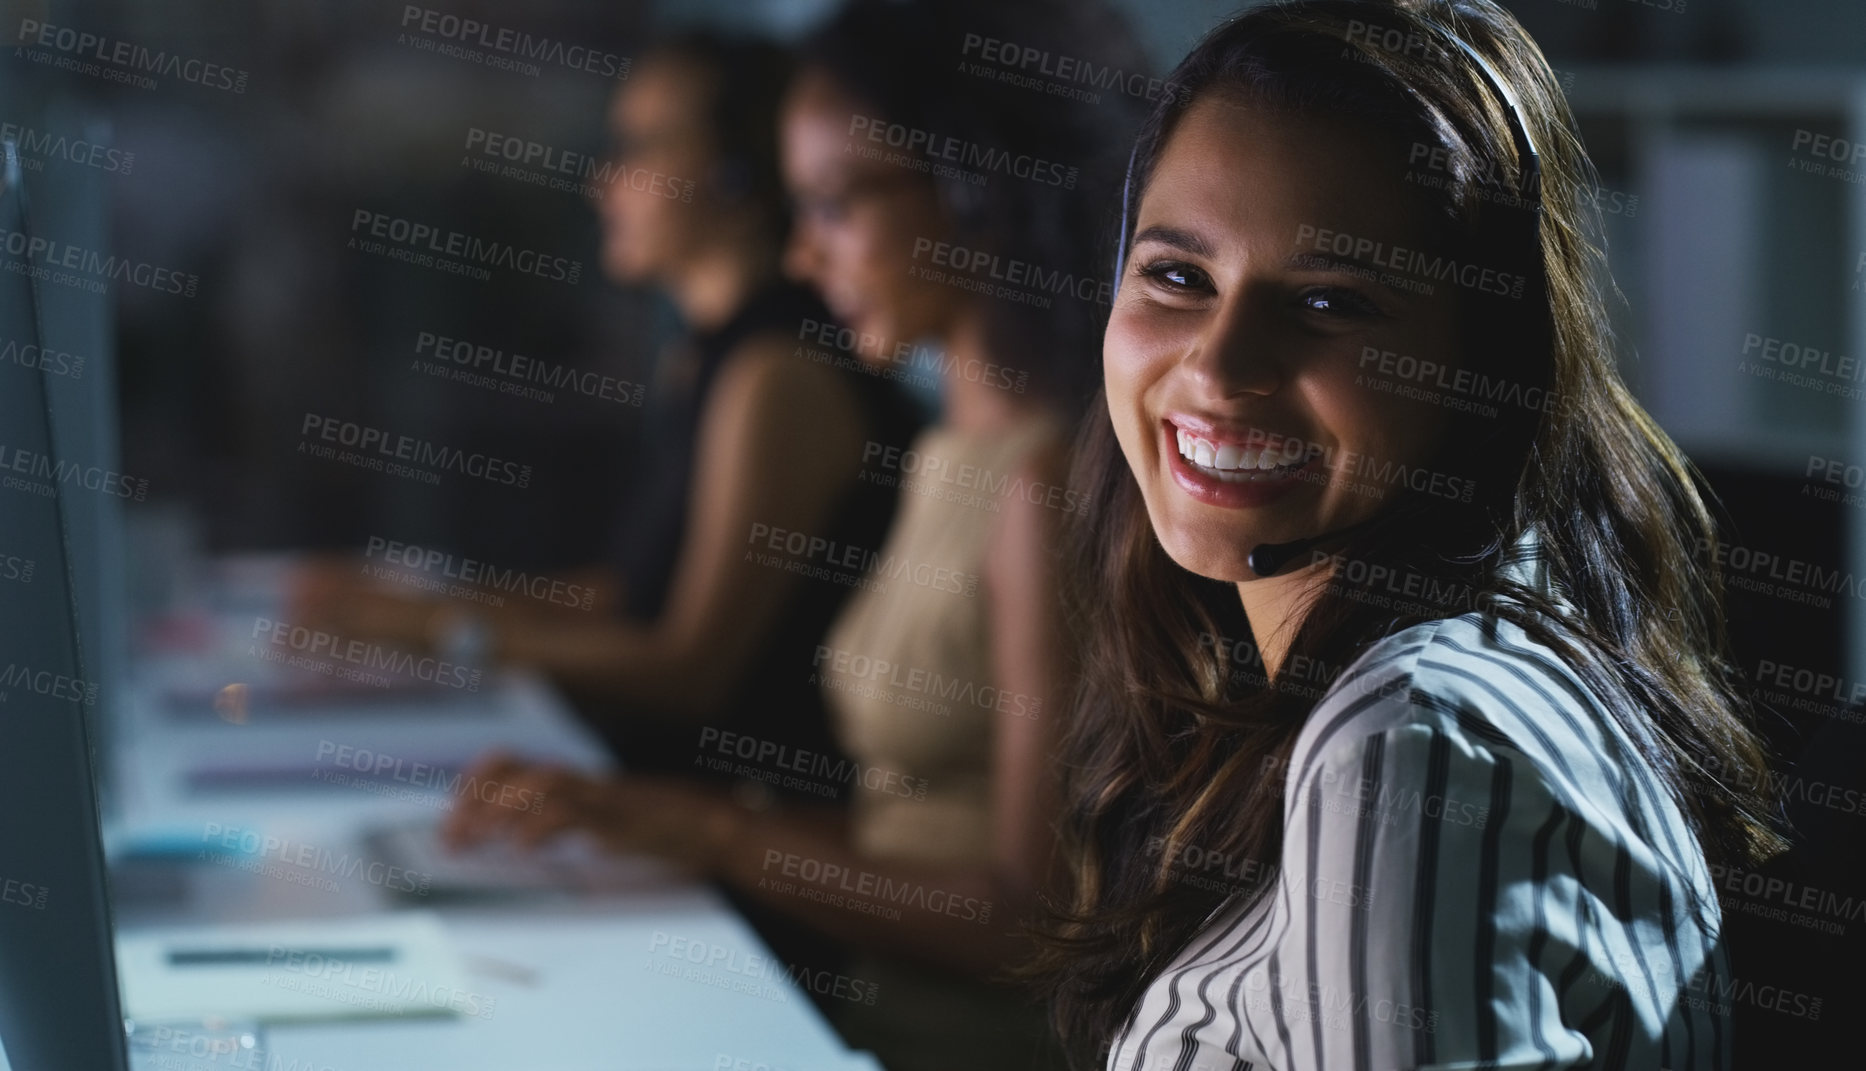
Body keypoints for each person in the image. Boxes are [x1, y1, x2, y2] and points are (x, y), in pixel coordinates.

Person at [1024, 2, 1786, 1069]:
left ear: (1485, 364)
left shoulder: (1410, 739)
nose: (1219, 365)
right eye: (1179, 277)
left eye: (1330, 302)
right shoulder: (1433, 671)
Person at [443, 2, 1146, 1068]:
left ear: (972, 191)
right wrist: (646, 813)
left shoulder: (1040, 484)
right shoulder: (946, 454)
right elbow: (903, 829)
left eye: (831, 205)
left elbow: (1026, 924)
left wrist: (715, 831)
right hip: (857, 1012)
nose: (806, 259)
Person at [292, 31, 920, 782]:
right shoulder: (705, 355)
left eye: (639, 146)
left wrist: (438, 630)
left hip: (745, 812)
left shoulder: (776, 372)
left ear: (736, 172)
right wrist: (417, 604)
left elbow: (691, 666)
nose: (603, 181)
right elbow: (634, 593)